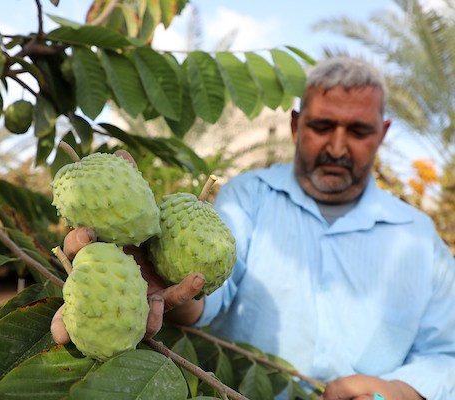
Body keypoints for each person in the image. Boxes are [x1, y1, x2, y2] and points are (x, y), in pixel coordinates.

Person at [51, 57, 455, 400]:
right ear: (297, 126)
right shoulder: (248, 197)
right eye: (322, 126)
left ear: (382, 134)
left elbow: (447, 352)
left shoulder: (420, 238)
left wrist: (403, 389)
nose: (337, 146)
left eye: (358, 130)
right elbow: (209, 291)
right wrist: (154, 282)